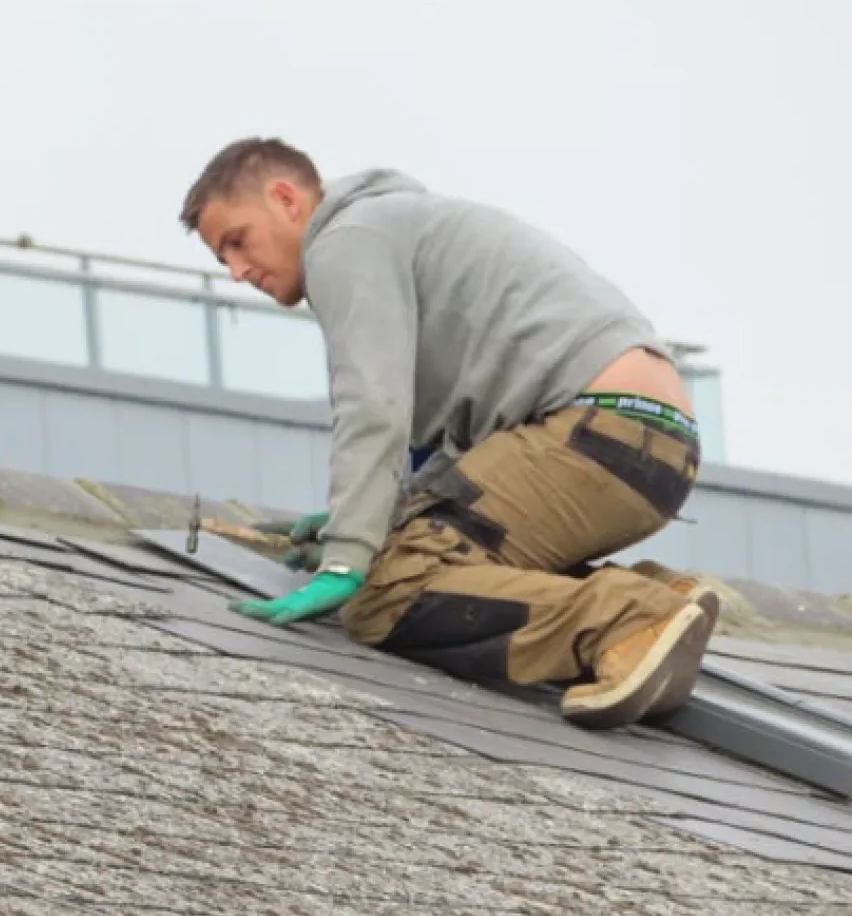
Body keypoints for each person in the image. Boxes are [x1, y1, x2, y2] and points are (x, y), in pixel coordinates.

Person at [178, 138, 719, 730]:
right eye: (222, 259)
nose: (237, 271)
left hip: (595, 431)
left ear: (286, 199)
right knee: (425, 552)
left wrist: (347, 558)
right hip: (652, 442)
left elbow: (373, 404)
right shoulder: (398, 227)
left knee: (389, 592)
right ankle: (662, 600)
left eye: (238, 241)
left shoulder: (346, 240)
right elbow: (448, 451)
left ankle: (628, 619)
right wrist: (374, 520)